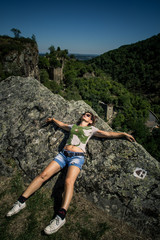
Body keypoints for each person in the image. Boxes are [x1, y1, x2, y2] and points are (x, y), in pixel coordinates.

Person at [6, 112, 135, 235]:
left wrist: (123, 134)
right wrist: (52, 120)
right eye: (85, 114)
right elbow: (61, 124)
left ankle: (61, 217)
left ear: (90, 121)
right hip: (63, 155)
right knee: (43, 175)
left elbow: (107, 134)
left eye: (88, 115)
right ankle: (20, 202)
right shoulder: (73, 127)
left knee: (69, 182)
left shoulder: (92, 130)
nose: (85, 115)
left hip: (77, 157)